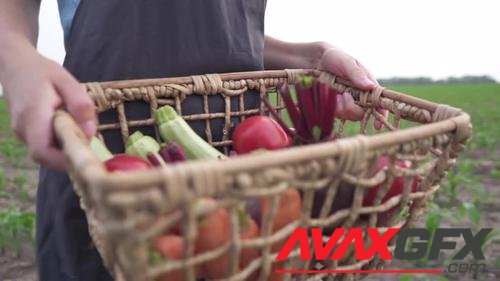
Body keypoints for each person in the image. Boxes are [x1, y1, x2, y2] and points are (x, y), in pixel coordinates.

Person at [0, 1, 383, 280]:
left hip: (242, 172)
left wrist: (306, 56)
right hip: (105, 163)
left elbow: (229, 35)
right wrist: (15, 56)